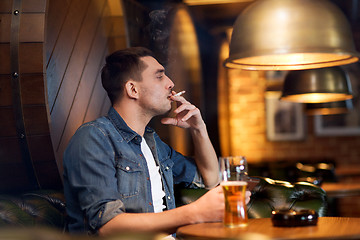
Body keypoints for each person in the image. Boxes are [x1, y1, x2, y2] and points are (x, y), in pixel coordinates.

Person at [63, 47, 250, 236]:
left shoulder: (152, 143)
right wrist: (193, 213)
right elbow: (108, 227)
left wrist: (198, 129)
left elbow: (210, 178)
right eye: (159, 76)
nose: (171, 83)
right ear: (132, 89)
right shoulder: (94, 138)